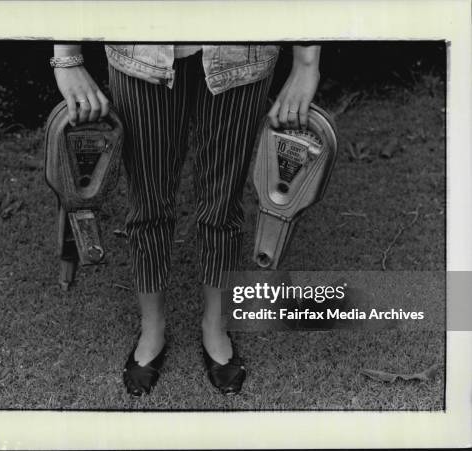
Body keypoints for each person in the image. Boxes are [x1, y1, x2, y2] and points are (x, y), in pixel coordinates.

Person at [52, 43, 320, 396]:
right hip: (140, 47)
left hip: (242, 46)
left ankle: (215, 325)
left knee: (223, 204)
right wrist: (67, 57)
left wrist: (306, 62)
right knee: (147, 203)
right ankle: (153, 327)